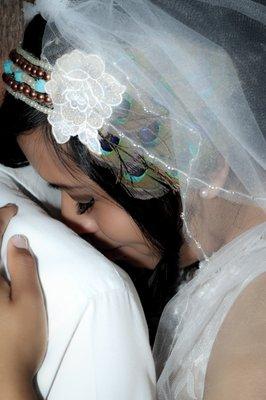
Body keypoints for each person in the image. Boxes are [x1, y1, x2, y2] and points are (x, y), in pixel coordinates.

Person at [0, 0, 265, 399]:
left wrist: (10, 376)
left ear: (205, 166)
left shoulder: (254, 340)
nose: (72, 222)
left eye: (86, 201)